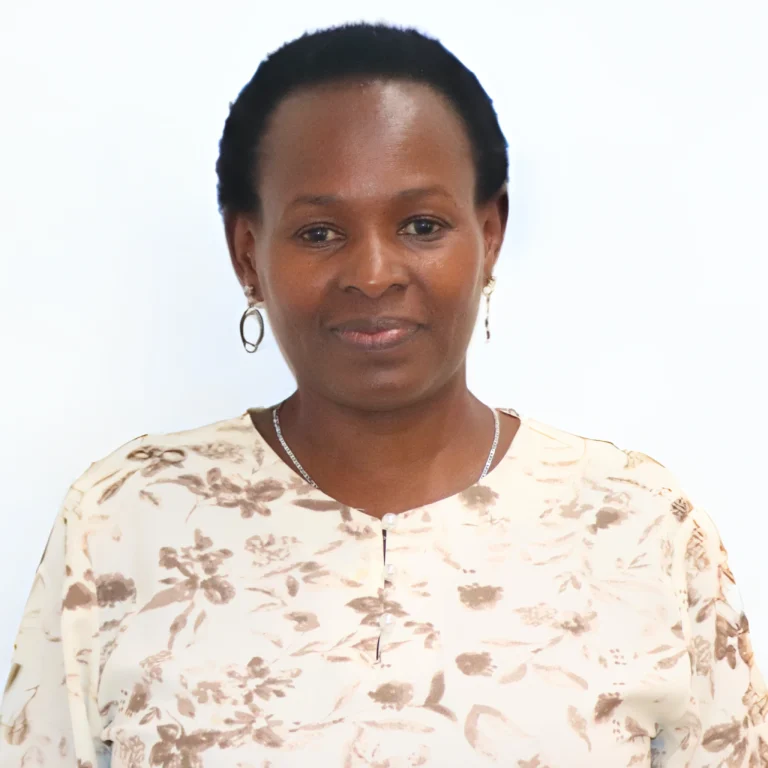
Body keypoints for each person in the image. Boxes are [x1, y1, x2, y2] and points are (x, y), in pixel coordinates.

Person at [1, 21, 766, 768]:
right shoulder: (125, 519)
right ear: (248, 253)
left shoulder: (639, 526)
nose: (372, 274)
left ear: (490, 233)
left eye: (422, 225)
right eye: (319, 233)